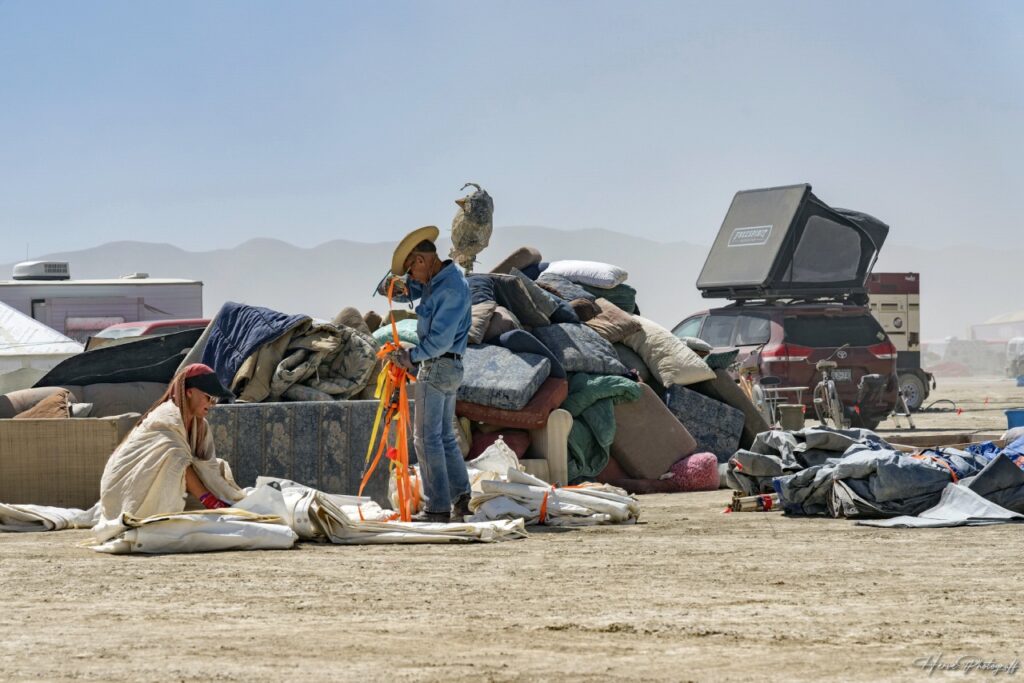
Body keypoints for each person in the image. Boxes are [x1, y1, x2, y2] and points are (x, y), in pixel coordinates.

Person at [383, 225, 473, 523]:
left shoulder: (449, 289)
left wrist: (411, 356)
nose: (412, 275)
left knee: (426, 439)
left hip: (437, 367)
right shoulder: (442, 281)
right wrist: (395, 283)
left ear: (422, 260)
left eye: (412, 267)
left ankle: (437, 507)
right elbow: (401, 289)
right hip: (450, 367)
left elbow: (440, 341)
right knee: (445, 437)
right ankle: (461, 499)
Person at [94, 363, 243, 540]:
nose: (212, 405)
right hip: (126, 487)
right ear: (189, 392)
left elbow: (207, 466)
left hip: (163, 480)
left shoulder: (200, 426)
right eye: (208, 397)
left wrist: (227, 497)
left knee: (217, 467)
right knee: (174, 455)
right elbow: (176, 459)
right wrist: (210, 500)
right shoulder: (165, 417)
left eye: (214, 400)